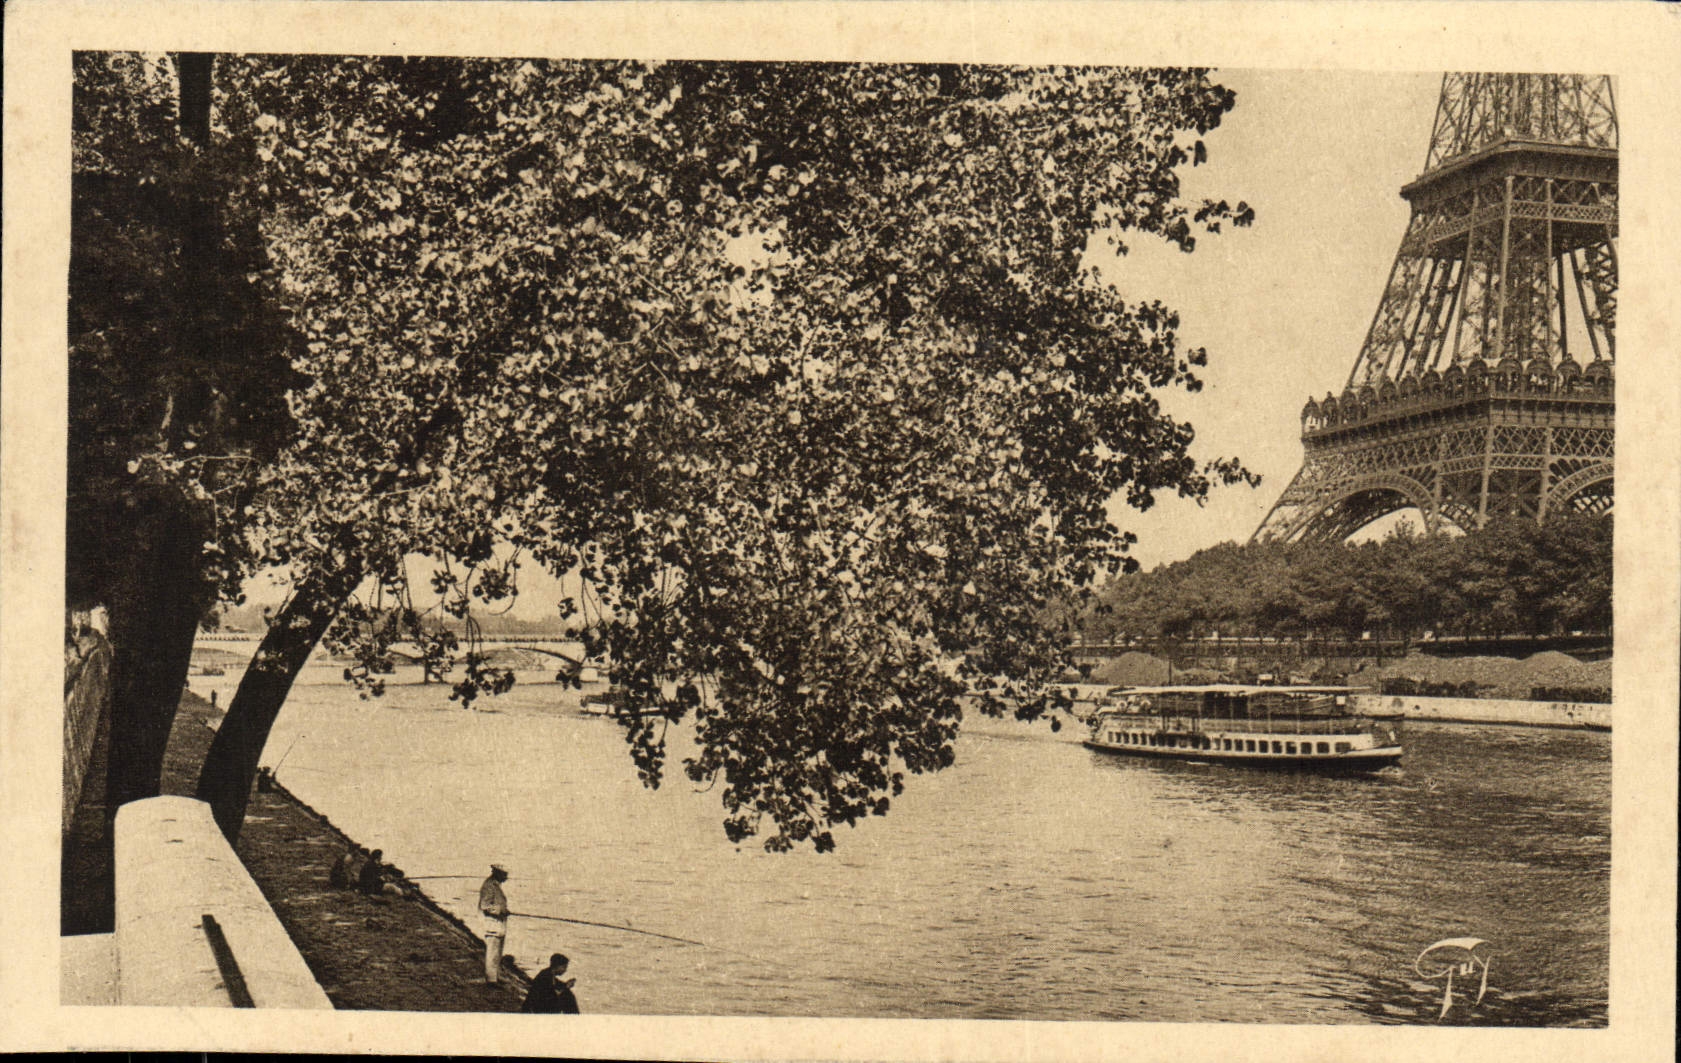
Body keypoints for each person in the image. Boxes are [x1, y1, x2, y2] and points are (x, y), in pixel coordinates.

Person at [478, 864, 511, 983]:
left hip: (498, 925)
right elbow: (485, 905)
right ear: (498, 873)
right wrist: (500, 911)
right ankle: (491, 980)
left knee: (497, 953)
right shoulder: (489, 886)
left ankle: (495, 977)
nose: (506, 878)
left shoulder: (495, 885)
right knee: (492, 953)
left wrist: (503, 911)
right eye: (505, 875)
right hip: (492, 925)